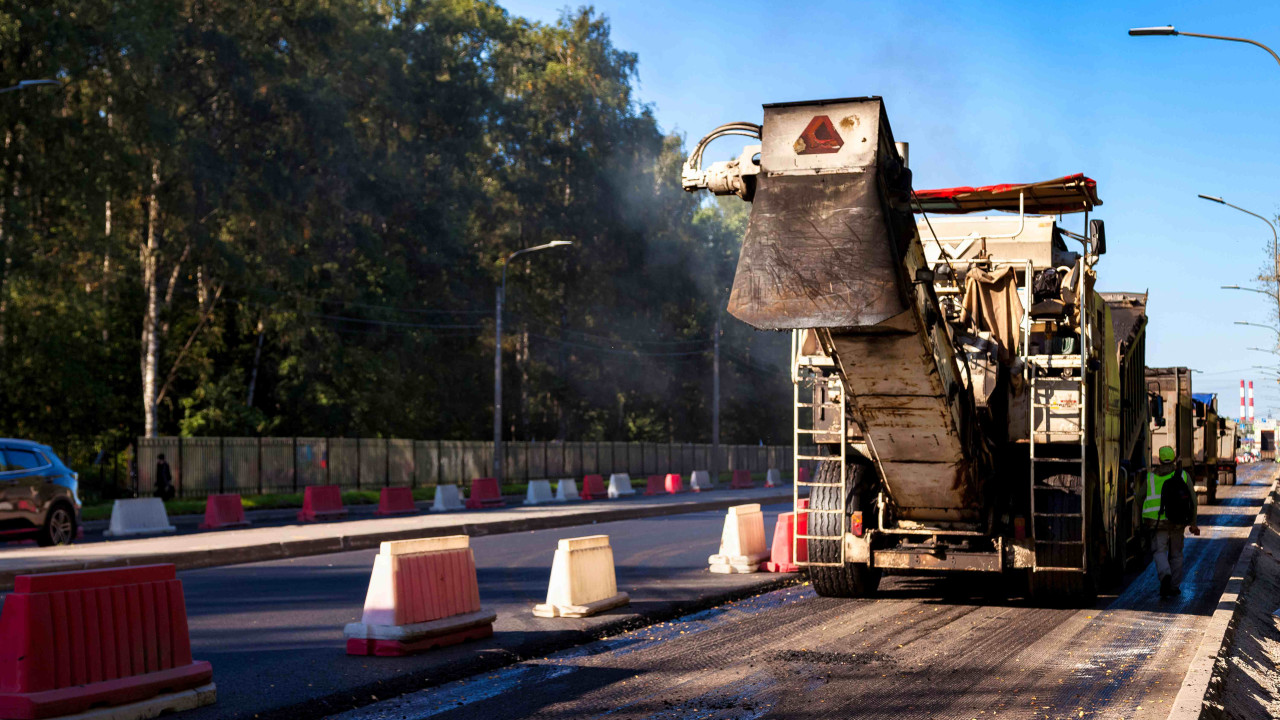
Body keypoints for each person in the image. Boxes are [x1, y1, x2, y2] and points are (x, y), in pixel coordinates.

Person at [1142, 445, 1200, 598]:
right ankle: (1174, 586)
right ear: (1174, 459)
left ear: (1159, 460)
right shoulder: (1183, 475)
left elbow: (1138, 499)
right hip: (1177, 521)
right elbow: (1193, 500)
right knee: (1176, 554)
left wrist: (1139, 521)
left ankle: (1165, 574)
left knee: (1159, 551)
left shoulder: (1150, 477)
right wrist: (1193, 522)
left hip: (1157, 522)